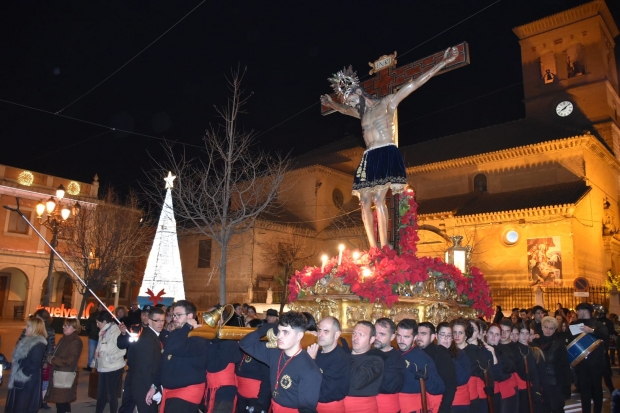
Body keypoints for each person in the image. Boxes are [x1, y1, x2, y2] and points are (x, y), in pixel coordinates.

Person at [320, 46, 458, 249]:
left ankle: (385, 246)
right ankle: (374, 248)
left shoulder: (387, 102)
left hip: (386, 151)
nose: (351, 104)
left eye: (351, 99)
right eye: (349, 102)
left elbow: (414, 84)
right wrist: (333, 104)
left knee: (378, 198)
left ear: (358, 91)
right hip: (369, 157)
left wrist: (443, 62)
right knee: (364, 202)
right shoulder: (362, 114)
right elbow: (343, 110)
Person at [240, 311, 322, 412]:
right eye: (279, 331)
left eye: (286, 332)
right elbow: (245, 344)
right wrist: (263, 330)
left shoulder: (309, 369)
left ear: (299, 335)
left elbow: (307, 409)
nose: (279, 336)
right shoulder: (274, 353)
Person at [146, 300, 208, 412]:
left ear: (190, 316)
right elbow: (165, 363)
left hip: (186, 393)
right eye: (174, 315)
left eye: (179, 315)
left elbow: (174, 347)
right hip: (171, 392)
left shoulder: (199, 336)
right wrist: (154, 385)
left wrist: (188, 326)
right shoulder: (177, 334)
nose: (174, 318)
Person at [121, 307, 166, 413]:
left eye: (162, 320)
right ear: (150, 321)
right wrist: (153, 388)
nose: (160, 323)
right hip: (145, 388)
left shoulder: (154, 336)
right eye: (157, 320)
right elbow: (145, 368)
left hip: (146, 387)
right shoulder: (147, 339)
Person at [396, 319, 444, 413]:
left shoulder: (422, 358)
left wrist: (428, 378)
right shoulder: (393, 354)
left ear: (415, 337)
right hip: (393, 406)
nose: (401, 340)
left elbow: (439, 387)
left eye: (406, 337)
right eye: (399, 336)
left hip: (412, 408)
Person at [2, 318, 48, 413]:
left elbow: (34, 364)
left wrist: (21, 375)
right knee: (16, 405)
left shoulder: (38, 344)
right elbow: (21, 360)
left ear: (35, 328)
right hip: (22, 380)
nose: (25, 328)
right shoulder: (28, 340)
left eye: (28, 326)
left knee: (22, 406)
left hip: (27, 382)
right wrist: (10, 365)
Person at [306, 316, 351, 413]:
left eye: (326, 331)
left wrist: (311, 363)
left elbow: (323, 390)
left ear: (337, 334)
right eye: (319, 330)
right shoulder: (315, 352)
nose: (320, 334)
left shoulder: (340, 359)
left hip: (329, 408)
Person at [571, 302, 609, 413]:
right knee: (584, 391)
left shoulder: (597, 325)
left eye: (578, 310)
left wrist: (591, 331)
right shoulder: (575, 325)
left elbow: (605, 335)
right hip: (581, 364)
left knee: (597, 389)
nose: (577, 313)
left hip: (596, 363)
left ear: (584, 311)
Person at [453, 318, 494, 413]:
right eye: (454, 332)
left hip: (472, 397)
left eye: (461, 333)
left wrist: (490, 386)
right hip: (454, 399)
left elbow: (487, 373)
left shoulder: (475, 351)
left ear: (466, 334)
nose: (457, 336)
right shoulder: (449, 351)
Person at [44, 318, 83, 413]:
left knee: (62, 401)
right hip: (59, 373)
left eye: (68, 326)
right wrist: (51, 356)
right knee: (62, 401)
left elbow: (70, 360)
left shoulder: (75, 341)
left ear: (75, 328)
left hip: (65, 374)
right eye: (64, 325)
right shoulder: (65, 338)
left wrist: (53, 360)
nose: (65, 328)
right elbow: (57, 353)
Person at [416, 322, 457, 413]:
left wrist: (443, 410)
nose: (419, 337)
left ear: (433, 337)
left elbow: (450, 386)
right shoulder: (415, 352)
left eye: (423, 334)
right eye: (417, 334)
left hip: (436, 406)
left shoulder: (440, 354)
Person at [345, 321, 384, 413]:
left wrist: (347, 355)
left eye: (361, 335)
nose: (355, 338)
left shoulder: (376, 360)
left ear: (372, 339)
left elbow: (358, 381)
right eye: (354, 333)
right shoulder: (344, 356)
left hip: (364, 408)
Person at [92, 310, 127, 413]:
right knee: (101, 394)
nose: (97, 325)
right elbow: (100, 347)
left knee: (112, 395)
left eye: (98, 323)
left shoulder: (115, 331)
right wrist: (96, 360)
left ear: (105, 321)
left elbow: (123, 350)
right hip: (103, 367)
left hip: (114, 367)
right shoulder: (103, 331)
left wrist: (109, 358)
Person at [237, 319, 272, 413]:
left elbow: (267, 381)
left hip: (256, 399)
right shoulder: (243, 349)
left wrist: (260, 403)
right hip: (241, 397)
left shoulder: (263, 350)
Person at [436, 322, 471, 413]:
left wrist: (448, 357)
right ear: (436, 336)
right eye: (443, 335)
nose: (446, 339)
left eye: (449, 335)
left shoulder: (460, 354)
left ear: (452, 338)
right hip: (437, 401)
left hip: (458, 402)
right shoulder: (433, 353)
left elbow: (463, 379)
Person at [537, 317, 570, 413]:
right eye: (546, 327)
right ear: (542, 327)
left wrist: (566, 386)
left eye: (551, 328)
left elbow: (565, 367)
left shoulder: (559, 344)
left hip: (556, 384)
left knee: (557, 408)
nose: (548, 330)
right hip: (540, 383)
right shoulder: (536, 343)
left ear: (555, 329)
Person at [372, 318, 405, 413]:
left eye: (382, 334)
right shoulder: (369, 353)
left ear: (392, 337)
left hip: (388, 409)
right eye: (375, 333)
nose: (377, 337)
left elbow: (392, 387)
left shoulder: (397, 358)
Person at [83, 302, 106, 372]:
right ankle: (89, 366)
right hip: (92, 336)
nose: (102, 307)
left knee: (99, 353)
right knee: (91, 352)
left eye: (103, 306)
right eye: (101, 306)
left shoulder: (105, 316)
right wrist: (89, 332)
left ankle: (97, 367)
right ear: (98, 307)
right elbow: (88, 324)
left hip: (101, 337)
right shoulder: (93, 315)